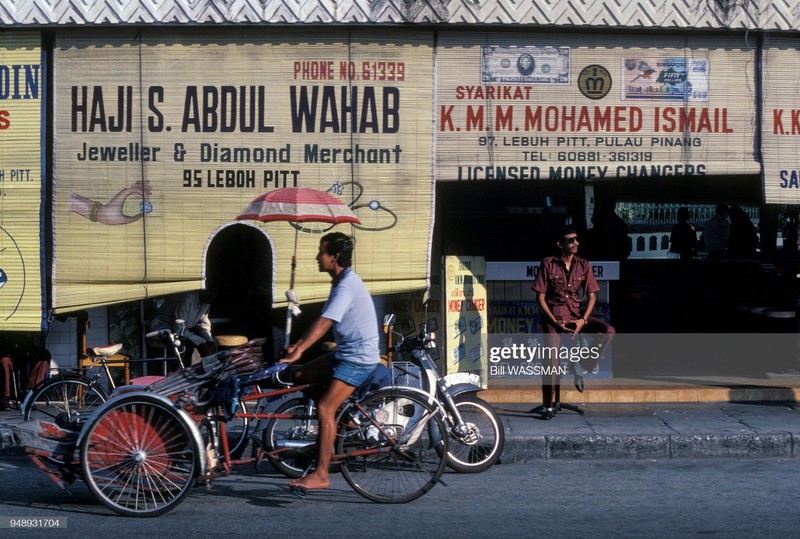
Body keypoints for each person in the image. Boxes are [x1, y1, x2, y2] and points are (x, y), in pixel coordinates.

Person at [279, 232, 380, 492]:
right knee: (299, 376)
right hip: (345, 353)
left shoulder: (346, 285)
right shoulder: (339, 281)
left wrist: (300, 348)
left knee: (325, 408)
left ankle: (321, 474)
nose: (316, 257)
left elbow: (325, 322)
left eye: (321, 251)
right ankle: (343, 419)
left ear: (333, 257)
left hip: (358, 358)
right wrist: (298, 348)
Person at [531, 226, 615, 419]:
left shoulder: (583, 265)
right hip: (554, 319)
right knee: (551, 360)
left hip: (576, 317)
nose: (575, 243)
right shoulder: (548, 264)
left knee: (609, 330)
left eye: (577, 239)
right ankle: (548, 406)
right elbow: (541, 298)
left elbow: (592, 296)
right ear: (560, 244)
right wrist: (554, 321)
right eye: (570, 240)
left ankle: (585, 363)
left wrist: (582, 320)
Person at [149, 289, 217, 365]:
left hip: (179, 329)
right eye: (210, 293)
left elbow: (203, 325)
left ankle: (209, 366)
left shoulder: (206, 303)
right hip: (161, 328)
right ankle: (181, 371)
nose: (212, 296)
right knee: (187, 346)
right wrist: (202, 342)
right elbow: (178, 328)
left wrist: (209, 342)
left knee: (211, 345)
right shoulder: (188, 298)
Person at [0, 334, 51, 410]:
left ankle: (29, 393)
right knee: (5, 361)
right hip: (7, 346)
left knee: (44, 355)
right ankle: (5, 397)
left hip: (26, 345)